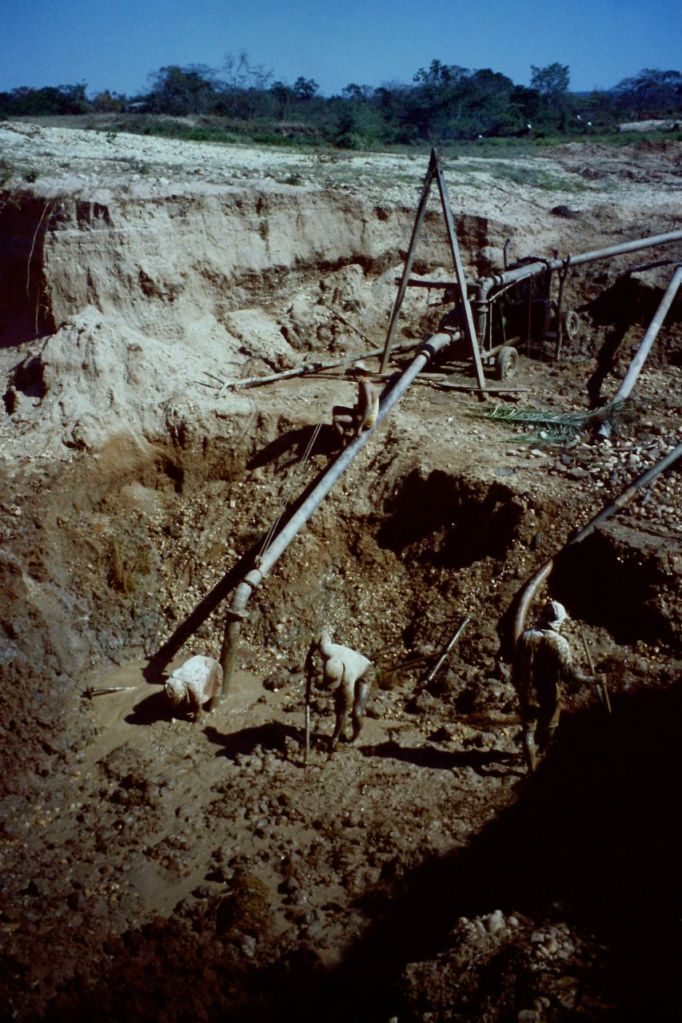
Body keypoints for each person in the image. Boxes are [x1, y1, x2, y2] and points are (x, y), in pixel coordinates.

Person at [512, 599, 595, 772]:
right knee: (551, 724)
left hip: (527, 689)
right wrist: (593, 680)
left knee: (528, 730)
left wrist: (518, 684)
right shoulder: (559, 642)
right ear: (558, 620)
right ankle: (542, 751)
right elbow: (569, 673)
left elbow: (516, 663)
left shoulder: (525, 635)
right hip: (548, 690)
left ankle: (531, 770)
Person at [331, 363, 379, 447]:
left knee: (335, 419)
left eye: (357, 374)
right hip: (360, 413)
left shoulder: (366, 387)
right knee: (335, 409)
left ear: (362, 374)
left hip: (366, 420)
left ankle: (343, 443)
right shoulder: (362, 383)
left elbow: (368, 408)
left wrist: (359, 427)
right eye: (353, 374)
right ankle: (345, 428)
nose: (354, 376)